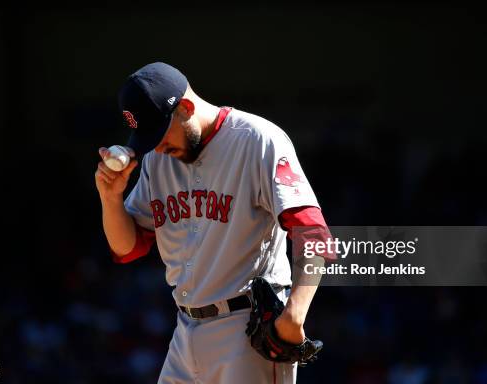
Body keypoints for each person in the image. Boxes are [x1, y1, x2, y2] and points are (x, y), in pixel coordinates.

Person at [95, 62, 330, 383]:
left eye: (160, 134)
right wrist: (111, 197)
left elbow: (313, 232)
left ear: (186, 108)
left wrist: (294, 315)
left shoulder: (257, 139)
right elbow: (128, 248)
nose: (158, 146)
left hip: (246, 331)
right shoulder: (156, 159)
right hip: (184, 330)